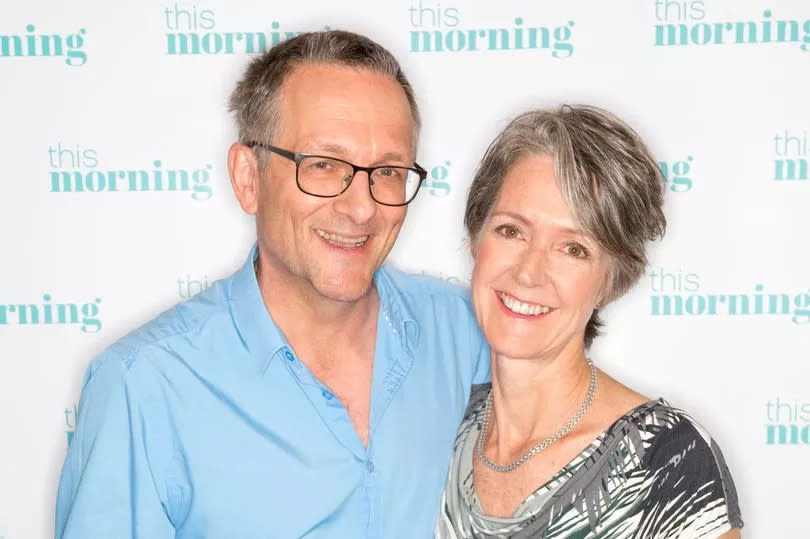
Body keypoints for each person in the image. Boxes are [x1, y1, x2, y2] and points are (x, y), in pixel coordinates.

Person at [55, 30, 489, 538]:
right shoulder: (143, 385)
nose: (362, 208)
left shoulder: (475, 334)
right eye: (323, 166)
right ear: (247, 177)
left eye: (388, 171)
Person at [435, 106, 743, 538]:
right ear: (475, 238)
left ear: (611, 282)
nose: (528, 272)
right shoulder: (432, 426)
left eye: (573, 249)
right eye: (511, 231)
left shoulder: (669, 461)